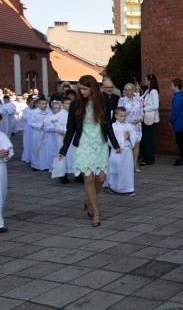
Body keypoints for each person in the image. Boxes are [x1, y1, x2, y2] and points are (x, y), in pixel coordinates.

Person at [59, 75, 122, 227]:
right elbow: (71, 128)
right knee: (88, 179)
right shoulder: (75, 104)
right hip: (82, 145)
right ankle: (96, 212)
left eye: (85, 89)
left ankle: (88, 201)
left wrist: (115, 144)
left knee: (100, 179)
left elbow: (108, 126)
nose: (82, 91)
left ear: (92, 88)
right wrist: (64, 148)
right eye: (80, 89)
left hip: (99, 144)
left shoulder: (103, 102)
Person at [106, 106, 138, 196]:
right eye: (121, 116)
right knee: (116, 169)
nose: (123, 118)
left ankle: (128, 188)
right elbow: (110, 139)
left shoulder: (129, 126)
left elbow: (134, 136)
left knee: (127, 170)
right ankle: (113, 187)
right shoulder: (112, 126)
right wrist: (123, 138)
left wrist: (130, 137)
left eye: (125, 116)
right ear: (116, 116)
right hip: (117, 151)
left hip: (127, 151)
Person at [119, 83, 145, 170]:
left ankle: (135, 165)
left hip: (136, 126)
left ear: (133, 90)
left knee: (136, 145)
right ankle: (126, 165)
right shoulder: (122, 100)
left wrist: (139, 119)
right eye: (125, 90)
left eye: (129, 90)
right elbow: (119, 113)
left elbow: (142, 112)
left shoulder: (139, 100)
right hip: (126, 126)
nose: (127, 92)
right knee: (127, 145)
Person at [169, 78, 183, 166]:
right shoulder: (181, 95)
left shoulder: (177, 97)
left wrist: (171, 120)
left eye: (171, 85)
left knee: (180, 141)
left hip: (179, 122)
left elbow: (175, 111)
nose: (170, 87)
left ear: (176, 86)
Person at [139, 74, 160, 166]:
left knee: (147, 139)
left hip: (149, 117)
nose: (144, 80)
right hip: (146, 117)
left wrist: (144, 109)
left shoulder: (153, 91)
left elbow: (156, 105)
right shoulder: (148, 90)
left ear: (150, 81)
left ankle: (148, 159)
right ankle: (148, 157)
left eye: (146, 79)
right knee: (146, 138)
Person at [29, 96, 51, 171]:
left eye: (45, 103)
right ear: (38, 104)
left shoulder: (49, 112)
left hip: (47, 133)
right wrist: (40, 125)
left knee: (46, 149)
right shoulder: (33, 112)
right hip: (37, 132)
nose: (44, 105)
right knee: (37, 148)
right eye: (43, 104)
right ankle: (36, 165)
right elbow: (30, 122)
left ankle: (46, 165)